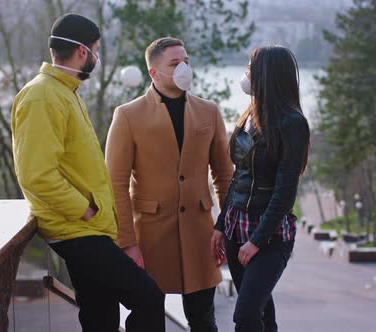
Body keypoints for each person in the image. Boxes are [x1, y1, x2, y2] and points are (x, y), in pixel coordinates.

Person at [11, 13, 165, 332]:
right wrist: (85, 209)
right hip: (75, 229)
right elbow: (35, 174)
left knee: (100, 316)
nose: (97, 56)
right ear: (83, 51)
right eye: (97, 49)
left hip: (87, 227)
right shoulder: (43, 95)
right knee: (149, 297)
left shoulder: (64, 90)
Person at [105, 37, 233, 332]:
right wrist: (127, 243)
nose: (183, 67)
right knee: (148, 319)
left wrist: (226, 227)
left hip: (201, 236)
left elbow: (225, 176)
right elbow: (116, 184)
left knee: (204, 319)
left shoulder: (209, 111)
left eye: (186, 61)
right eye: (175, 63)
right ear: (154, 72)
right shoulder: (127, 115)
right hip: (150, 236)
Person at [210, 46, 310, 332]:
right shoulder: (249, 115)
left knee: (246, 315)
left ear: (267, 75)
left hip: (268, 236)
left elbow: (285, 191)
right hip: (234, 227)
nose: (246, 75)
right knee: (262, 313)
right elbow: (238, 177)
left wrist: (256, 240)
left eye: (251, 68)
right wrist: (220, 225)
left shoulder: (293, 123)